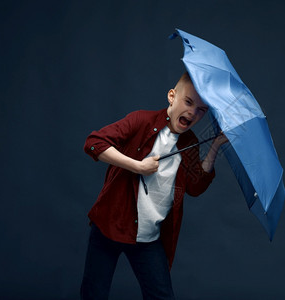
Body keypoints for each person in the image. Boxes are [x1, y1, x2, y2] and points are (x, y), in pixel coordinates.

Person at [80, 72, 228, 300]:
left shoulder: (189, 143)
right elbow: (93, 144)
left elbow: (195, 187)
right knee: (94, 295)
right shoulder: (141, 121)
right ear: (172, 96)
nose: (192, 112)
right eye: (188, 102)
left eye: (201, 110)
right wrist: (137, 166)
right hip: (109, 225)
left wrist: (216, 145)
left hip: (148, 237)